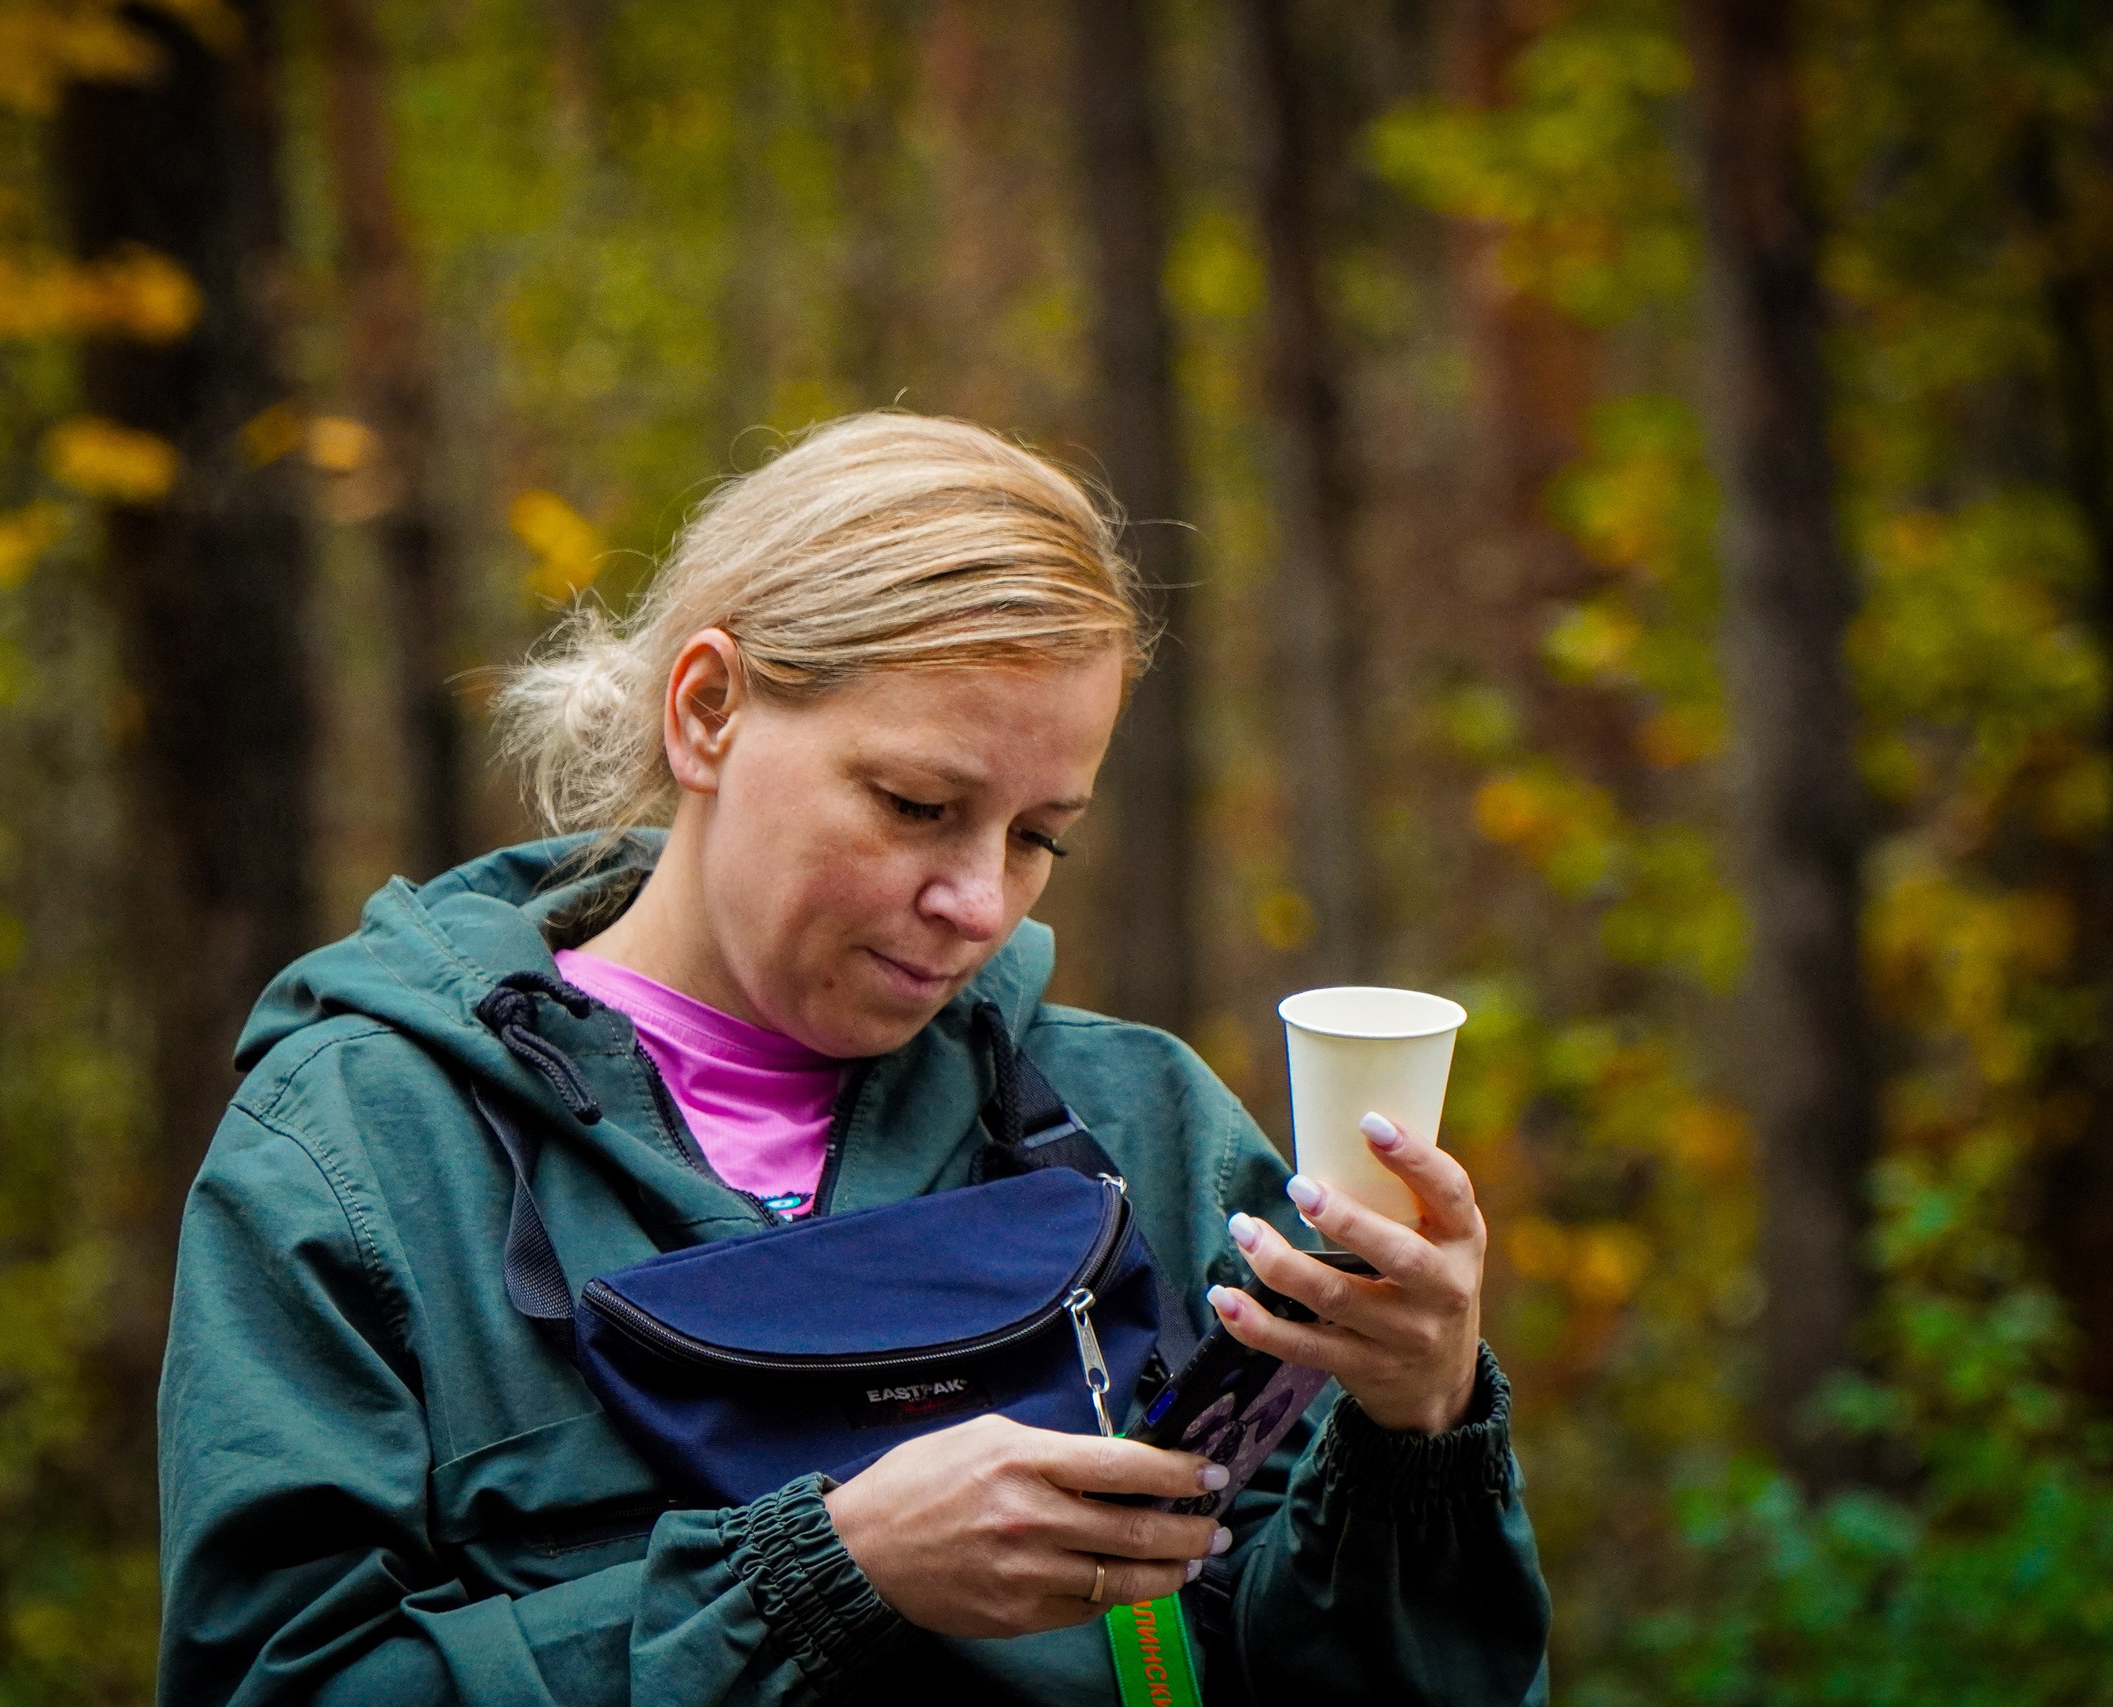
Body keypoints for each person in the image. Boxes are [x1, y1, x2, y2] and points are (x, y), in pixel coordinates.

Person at [157, 413, 1551, 1706]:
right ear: (708, 711)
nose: (981, 902)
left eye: (1036, 835)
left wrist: (1413, 1435)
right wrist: (815, 1579)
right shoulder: (361, 1149)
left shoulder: (1141, 1129)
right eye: (917, 804)